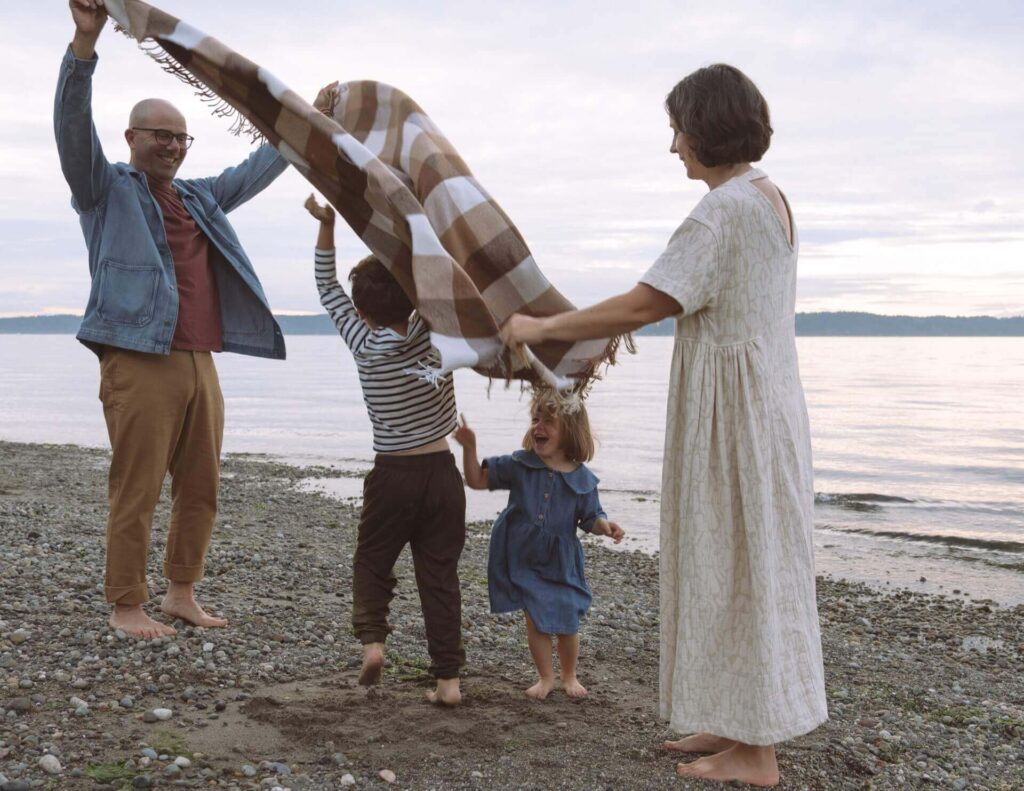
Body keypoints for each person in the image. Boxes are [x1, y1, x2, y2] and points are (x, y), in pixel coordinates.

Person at [501, 64, 827, 786]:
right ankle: (738, 720)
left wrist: (543, 325)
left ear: (707, 126)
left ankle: (756, 752)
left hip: (734, 418)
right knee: (734, 562)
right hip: (762, 404)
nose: (673, 145)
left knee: (737, 563)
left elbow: (646, 302)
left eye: (678, 128)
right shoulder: (768, 198)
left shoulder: (724, 210)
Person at [55, 0, 290, 639]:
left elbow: (260, 166)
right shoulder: (104, 192)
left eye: (181, 137)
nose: (173, 145)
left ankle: (181, 593)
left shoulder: (199, 196)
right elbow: (72, 127)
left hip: (199, 358)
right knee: (137, 488)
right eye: (160, 134)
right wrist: (85, 43)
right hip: (138, 357)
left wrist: (302, 124)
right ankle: (126, 603)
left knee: (201, 486)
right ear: (132, 139)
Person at [303, 190, 467, 706]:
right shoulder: (434, 334)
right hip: (442, 471)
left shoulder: (363, 342)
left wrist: (327, 224)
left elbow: (327, 287)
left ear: (362, 310)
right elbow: (435, 281)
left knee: (373, 561)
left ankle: (374, 644)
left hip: (392, 473)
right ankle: (448, 682)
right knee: (438, 575)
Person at [452, 391, 624, 700]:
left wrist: (605, 527)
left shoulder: (582, 479)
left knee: (568, 619)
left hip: (561, 559)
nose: (538, 427)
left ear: (570, 430)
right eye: (535, 419)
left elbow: (591, 516)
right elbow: (477, 480)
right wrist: (469, 448)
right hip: (523, 555)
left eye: (549, 422)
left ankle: (569, 676)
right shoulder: (520, 464)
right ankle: (546, 677)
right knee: (535, 619)